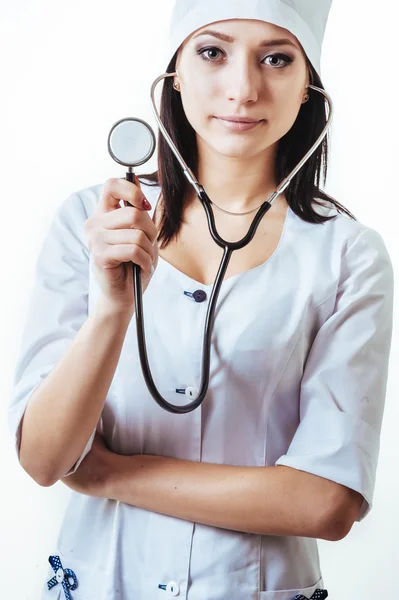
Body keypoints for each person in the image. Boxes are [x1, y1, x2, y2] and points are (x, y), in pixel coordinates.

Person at [8, 1, 394, 599]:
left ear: (307, 86)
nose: (242, 89)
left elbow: (325, 501)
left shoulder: (348, 256)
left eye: (276, 58)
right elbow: (44, 457)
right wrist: (111, 310)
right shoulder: (92, 225)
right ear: (176, 73)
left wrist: (107, 471)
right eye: (212, 52)